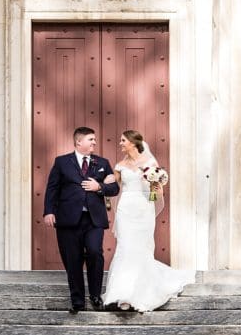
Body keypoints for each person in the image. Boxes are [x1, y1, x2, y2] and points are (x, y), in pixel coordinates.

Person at [100, 129, 194, 312]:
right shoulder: (119, 165)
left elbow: (154, 195)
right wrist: (106, 182)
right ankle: (122, 294)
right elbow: (113, 188)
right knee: (125, 248)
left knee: (141, 249)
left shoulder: (150, 163)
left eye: (123, 140)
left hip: (143, 210)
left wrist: (155, 189)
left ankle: (140, 292)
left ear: (133, 143)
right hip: (126, 209)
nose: (120, 143)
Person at [43, 127, 120, 314]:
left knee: (95, 253)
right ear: (79, 142)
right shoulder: (62, 162)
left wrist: (98, 186)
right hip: (68, 219)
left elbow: (114, 188)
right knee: (73, 259)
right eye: (91, 139)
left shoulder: (102, 162)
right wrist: (49, 211)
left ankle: (95, 296)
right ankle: (77, 301)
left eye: (94, 139)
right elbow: (52, 188)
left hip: (93, 219)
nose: (94, 142)